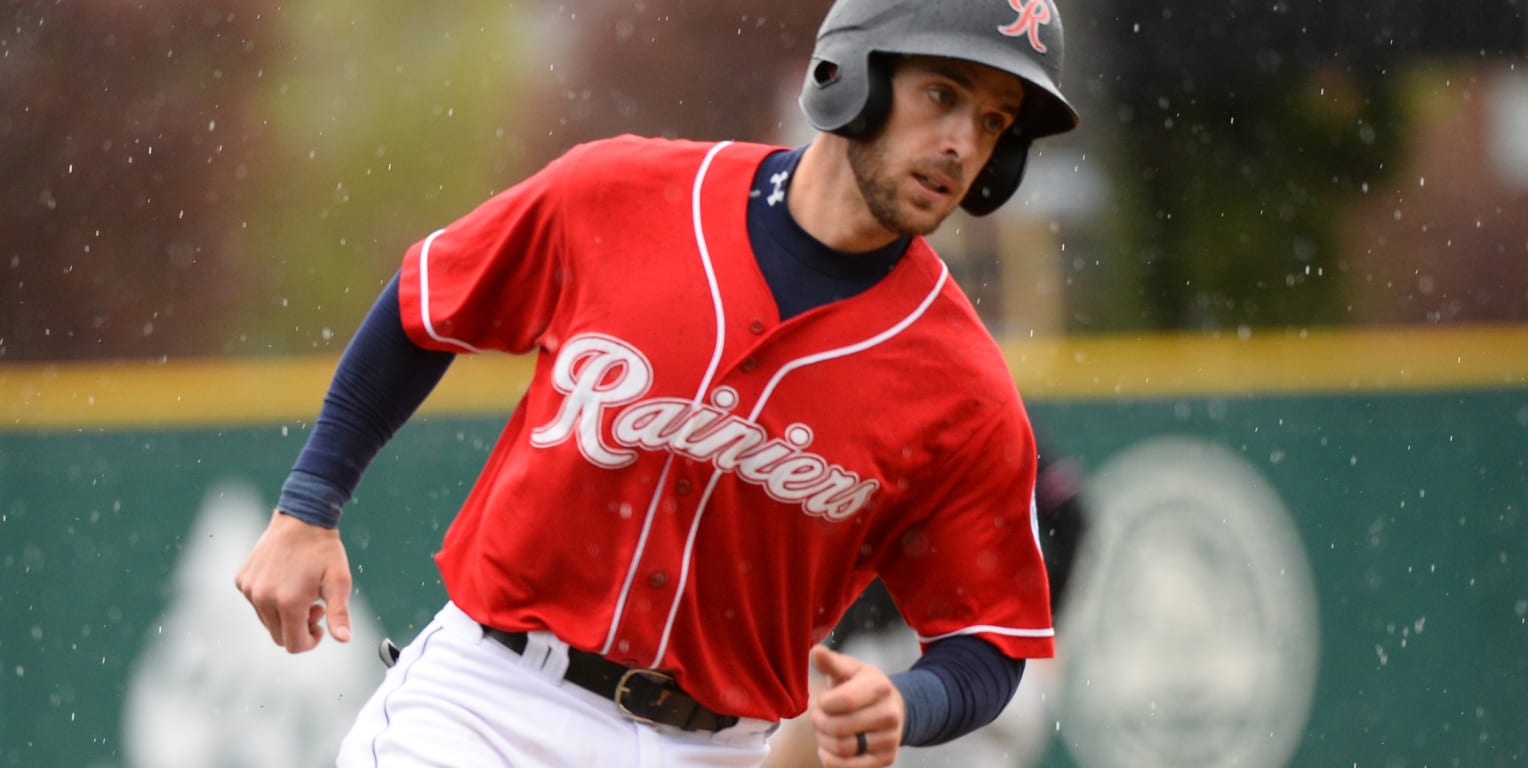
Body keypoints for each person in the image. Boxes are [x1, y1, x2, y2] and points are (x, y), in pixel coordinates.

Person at [234, 0, 1080, 765]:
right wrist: (309, 505)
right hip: (487, 703)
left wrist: (910, 699)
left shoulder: (962, 385)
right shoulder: (623, 194)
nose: (965, 142)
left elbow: (991, 638)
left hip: (715, 748)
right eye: (943, 94)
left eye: (996, 121)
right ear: (852, 74)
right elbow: (428, 305)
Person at [763, 448, 1091, 768]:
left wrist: (1045, 619)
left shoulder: (986, 419)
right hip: (945, 641)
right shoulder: (979, 423)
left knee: (826, 729)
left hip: (941, 643)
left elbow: (1069, 512)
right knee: (822, 730)